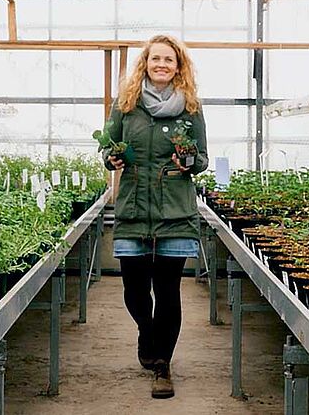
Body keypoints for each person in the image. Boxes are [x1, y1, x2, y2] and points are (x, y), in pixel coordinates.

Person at [102, 34, 208, 399]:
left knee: (167, 291)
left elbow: (203, 159)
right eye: (155, 59)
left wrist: (189, 161)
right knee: (133, 289)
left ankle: (163, 365)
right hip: (133, 207)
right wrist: (112, 158)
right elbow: (108, 147)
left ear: (179, 67)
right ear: (145, 64)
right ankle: (146, 333)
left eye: (169, 60)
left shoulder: (190, 107)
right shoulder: (126, 104)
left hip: (175, 210)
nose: (162, 65)